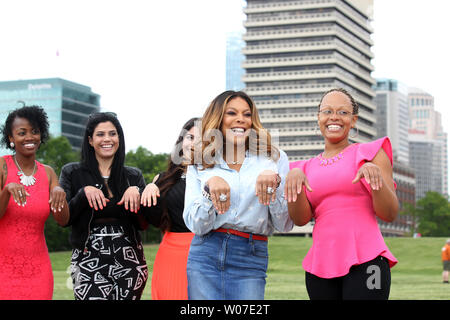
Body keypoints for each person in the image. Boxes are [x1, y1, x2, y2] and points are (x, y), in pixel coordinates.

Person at [286, 88, 399, 300]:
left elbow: (390, 213)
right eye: (327, 111)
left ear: (353, 120)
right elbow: (300, 220)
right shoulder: (303, 168)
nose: (334, 117)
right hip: (320, 268)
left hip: (368, 262)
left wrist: (375, 182)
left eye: (343, 112)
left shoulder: (371, 154)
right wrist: (294, 183)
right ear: (318, 117)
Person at [183, 90, 293, 300]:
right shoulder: (200, 161)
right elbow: (196, 225)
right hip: (205, 253)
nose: (240, 119)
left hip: (250, 255)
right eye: (231, 113)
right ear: (218, 118)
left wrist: (275, 185)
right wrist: (209, 191)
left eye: (247, 114)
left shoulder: (274, 159)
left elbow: (284, 224)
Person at [59, 112, 148, 300]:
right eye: (100, 134)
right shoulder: (72, 172)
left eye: (112, 134)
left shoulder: (133, 175)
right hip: (87, 256)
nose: (107, 139)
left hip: (129, 258)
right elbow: (64, 219)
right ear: (90, 140)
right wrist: (83, 193)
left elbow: (143, 224)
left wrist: (138, 194)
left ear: (119, 138)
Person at [0, 105, 69, 300]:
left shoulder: (48, 173)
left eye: (35, 131)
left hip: (39, 269)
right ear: (11, 138)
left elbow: (63, 220)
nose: (29, 137)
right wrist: (6, 191)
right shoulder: (2, 166)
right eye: (22, 133)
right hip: (3, 268)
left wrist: (59, 193)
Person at [141, 117, 200, 300]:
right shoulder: (164, 180)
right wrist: (149, 189)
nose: (194, 143)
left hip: (204, 252)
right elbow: (154, 220)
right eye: (190, 137)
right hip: (170, 254)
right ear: (181, 141)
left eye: (202, 139)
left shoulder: (216, 178)